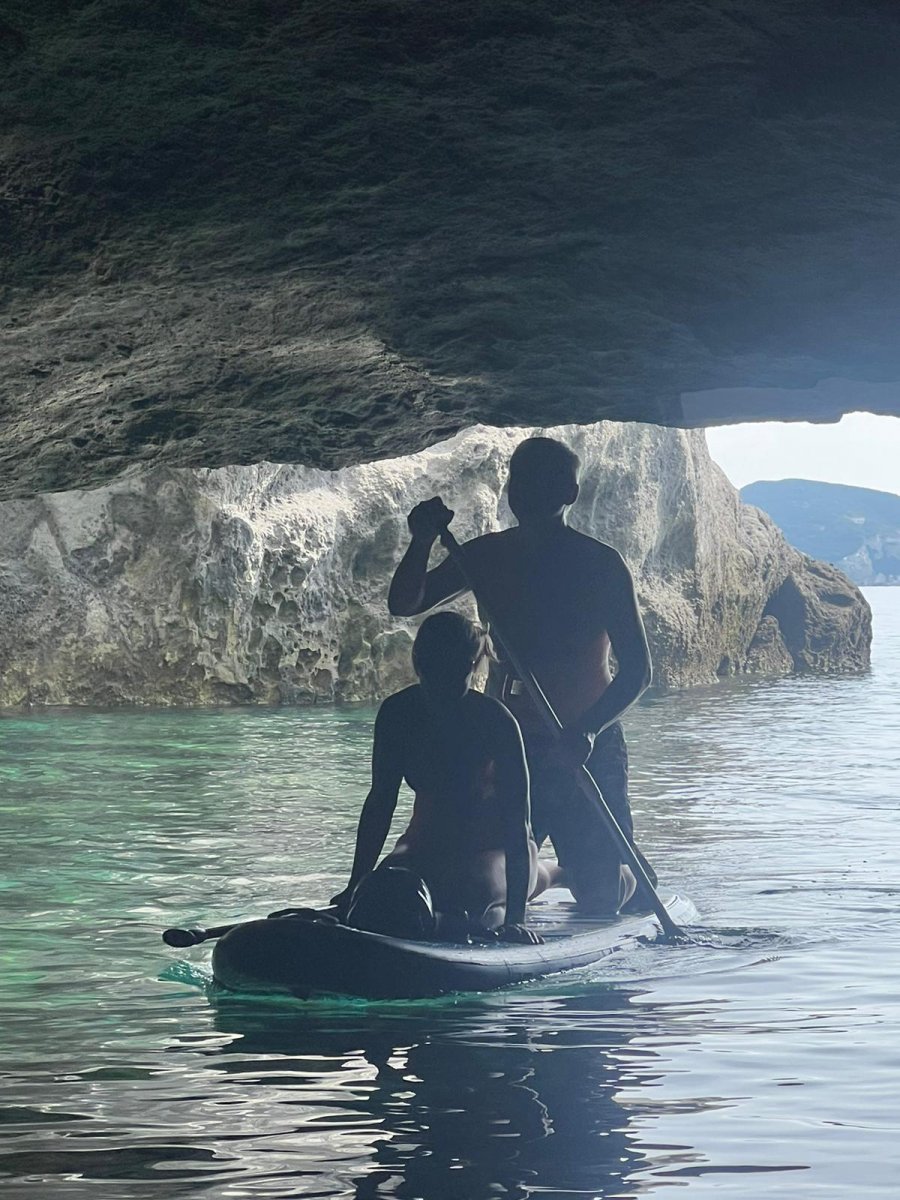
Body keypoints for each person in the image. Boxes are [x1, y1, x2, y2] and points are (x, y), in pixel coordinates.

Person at [387, 436, 654, 916]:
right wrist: (423, 538)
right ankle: (533, 880)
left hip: (583, 745)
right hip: (506, 742)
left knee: (601, 897)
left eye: (543, 482)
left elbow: (638, 671)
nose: (526, 492)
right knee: (482, 871)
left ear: (569, 493)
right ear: (510, 490)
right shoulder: (484, 558)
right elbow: (406, 603)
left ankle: (625, 871)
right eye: (520, 481)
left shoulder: (599, 565)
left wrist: (588, 729)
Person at [334, 611, 556, 943]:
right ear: (418, 663)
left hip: (490, 848)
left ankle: (557, 873)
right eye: (434, 669)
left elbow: (517, 825)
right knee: (378, 895)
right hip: (424, 845)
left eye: (454, 671)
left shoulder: (496, 722)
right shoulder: (397, 714)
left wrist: (514, 919)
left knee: (475, 900)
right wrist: (357, 885)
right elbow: (381, 802)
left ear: (470, 666)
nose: (443, 682)